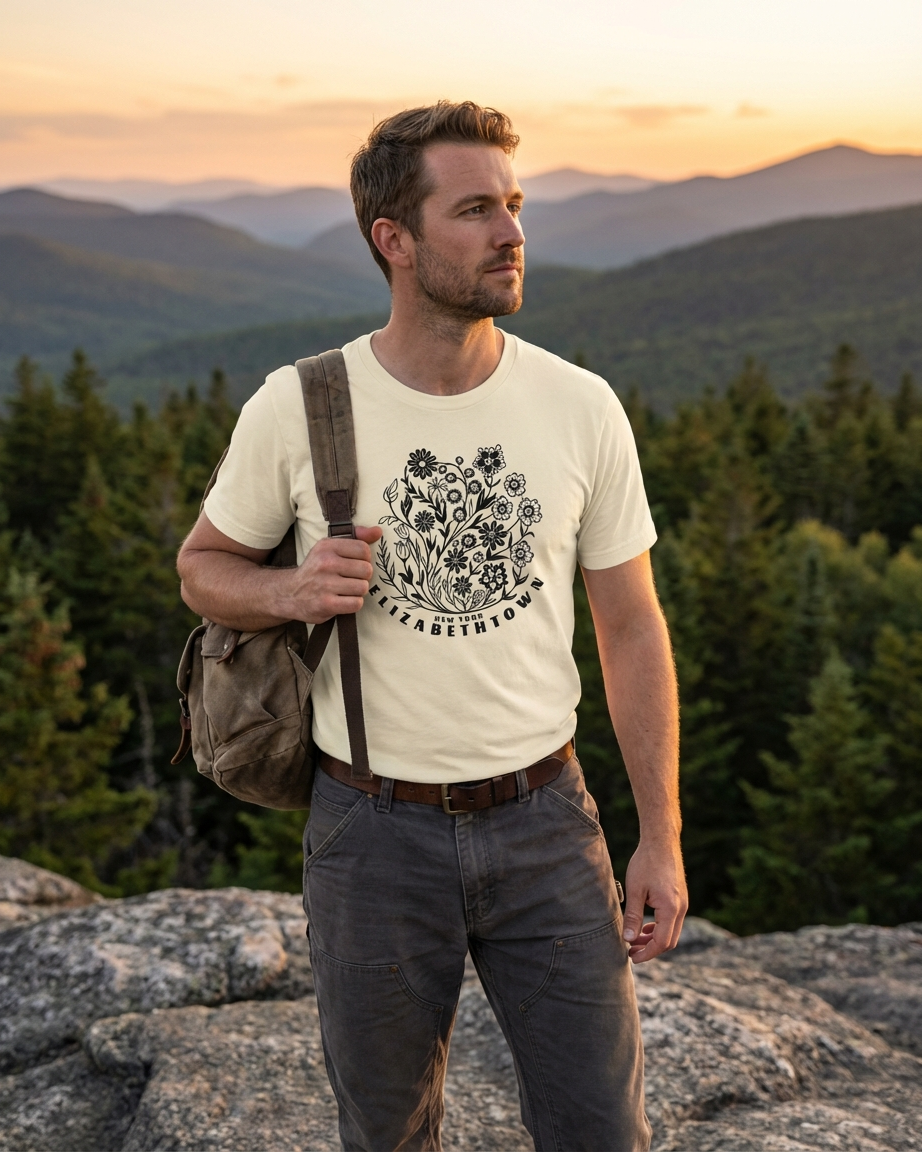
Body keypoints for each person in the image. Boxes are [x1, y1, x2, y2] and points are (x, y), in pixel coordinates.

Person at [177, 100, 687, 1152]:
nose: (511, 233)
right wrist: (291, 591)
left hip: (548, 821)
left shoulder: (579, 405)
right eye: (474, 211)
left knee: (601, 1130)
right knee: (389, 1134)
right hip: (370, 832)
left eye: (514, 205)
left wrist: (661, 837)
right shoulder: (300, 405)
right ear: (394, 241)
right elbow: (202, 571)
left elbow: (631, 626)